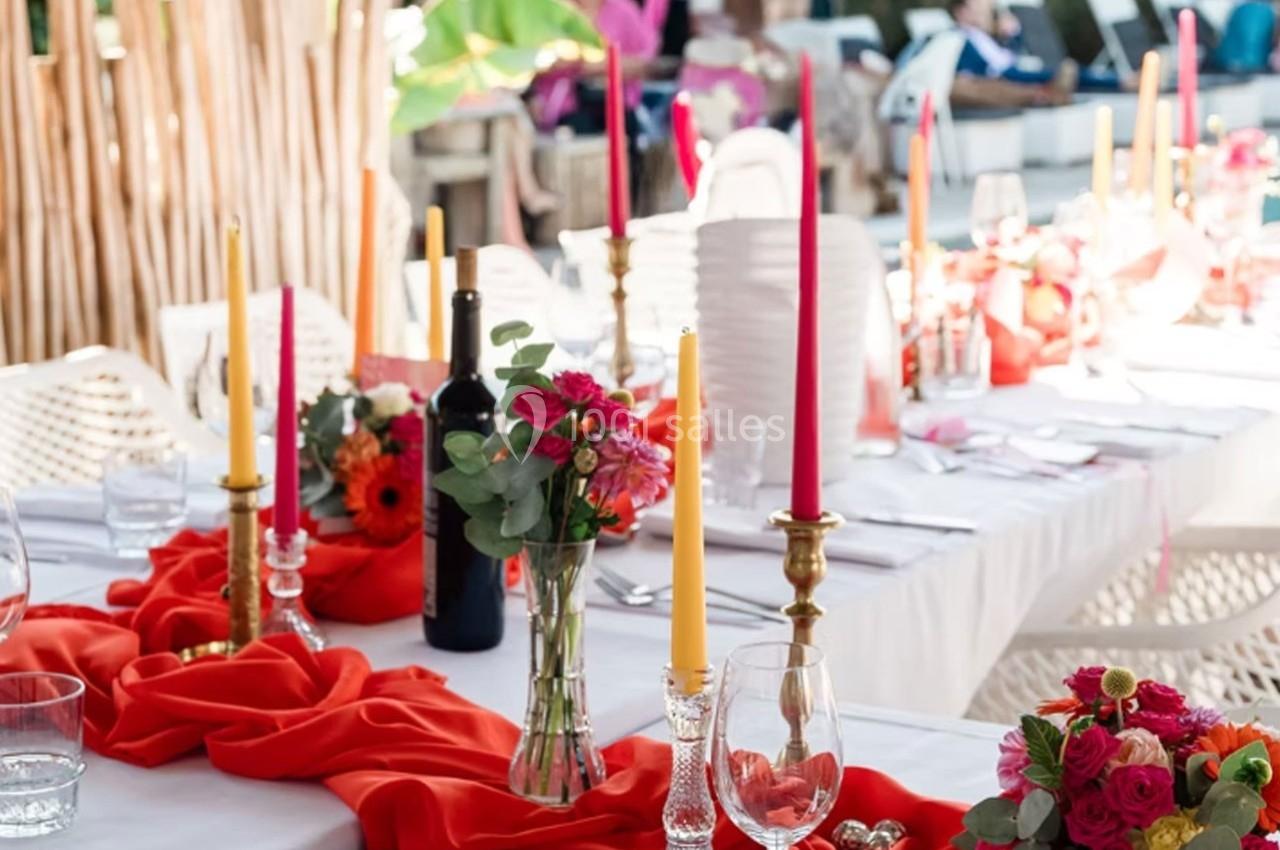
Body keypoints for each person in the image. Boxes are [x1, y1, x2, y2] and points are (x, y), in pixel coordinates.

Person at [948, 0, 1077, 107]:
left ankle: (1053, 91)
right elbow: (975, 66)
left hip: (1007, 70)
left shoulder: (982, 35)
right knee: (1052, 74)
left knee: (1054, 72)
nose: (982, 11)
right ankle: (1049, 93)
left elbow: (1011, 51)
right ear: (960, 12)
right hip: (997, 74)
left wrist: (1012, 34)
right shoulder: (958, 37)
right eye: (976, 6)